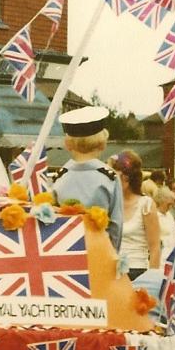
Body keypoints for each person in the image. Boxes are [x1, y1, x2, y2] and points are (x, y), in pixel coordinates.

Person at [52, 106, 124, 251]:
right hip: (99, 252)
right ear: (102, 142)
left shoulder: (59, 177)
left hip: (64, 254)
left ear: (68, 143)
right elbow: (116, 224)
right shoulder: (109, 177)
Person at [111, 150, 161, 280]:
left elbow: (155, 248)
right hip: (109, 271)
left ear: (126, 178)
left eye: (113, 177)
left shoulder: (146, 204)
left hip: (137, 272)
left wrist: (152, 281)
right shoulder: (108, 203)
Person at [153, 186, 175, 257]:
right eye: (169, 204)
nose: (171, 206)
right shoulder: (153, 216)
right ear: (161, 201)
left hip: (171, 252)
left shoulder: (169, 215)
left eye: (171, 204)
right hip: (159, 254)